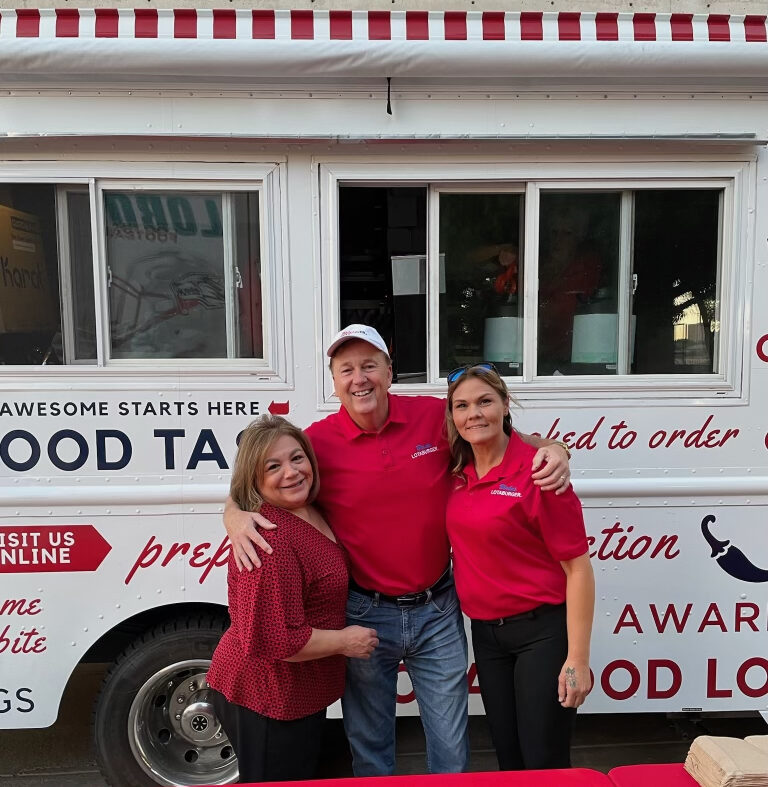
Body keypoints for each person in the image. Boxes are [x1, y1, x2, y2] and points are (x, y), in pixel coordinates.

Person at [223, 324, 571, 776]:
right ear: (334, 382)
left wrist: (557, 449)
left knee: (450, 742)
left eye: (369, 365)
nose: (359, 378)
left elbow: (507, 443)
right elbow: (261, 470)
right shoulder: (317, 443)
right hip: (365, 611)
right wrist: (232, 512)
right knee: (370, 744)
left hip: (438, 608)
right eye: (346, 369)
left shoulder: (434, 418)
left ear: (389, 371)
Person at [207, 415, 379, 783]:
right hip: (268, 697)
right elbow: (274, 639)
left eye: (296, 458)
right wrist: (347, 641)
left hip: (297, 693)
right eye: (273, 466)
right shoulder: (269, 540)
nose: (291, 472)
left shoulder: (308, 508)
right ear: (254, 478)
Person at [444, 362, 595, 771]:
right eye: (462, 406)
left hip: (541, 635)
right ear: (452, 417)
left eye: (484, 401)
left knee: (543, 759)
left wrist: (578, 658)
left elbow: (578, 569)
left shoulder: (539, 472)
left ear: (505, 405)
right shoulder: (456, 473)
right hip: (488, 638)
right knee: (509, 759)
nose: (473, 413)